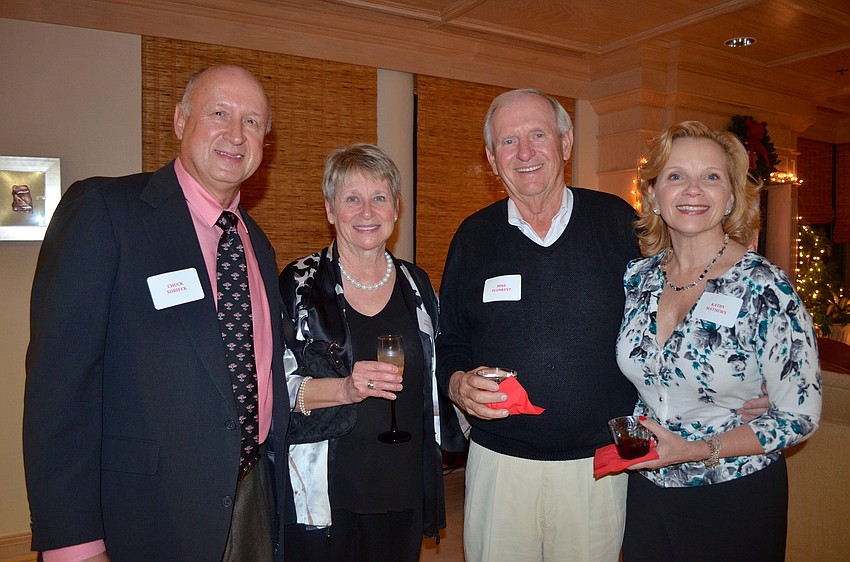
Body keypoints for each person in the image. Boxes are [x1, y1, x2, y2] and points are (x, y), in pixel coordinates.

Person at [23, 65, 289, 562]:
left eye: (253, 123)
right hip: (144, 515)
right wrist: (73, 546)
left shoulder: (259, 244)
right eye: (219, 114)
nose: (236, 134)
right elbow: (58, 390)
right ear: (180, 120)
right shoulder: (106, 211)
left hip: (253, 500)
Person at [436, 88, 641, 562]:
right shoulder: (473, 236)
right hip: (498, 465)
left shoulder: (618, 224)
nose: (524, 153)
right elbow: (451, 339)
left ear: (566, 144)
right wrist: (457, 382)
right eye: (508, 142)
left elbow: (667, 318)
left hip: (597, 467)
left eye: (537, 135)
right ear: (491, 158)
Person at [616, 121, 822, 561]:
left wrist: (696, 449)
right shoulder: (639, 279)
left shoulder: (765, 286)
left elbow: (800, 416)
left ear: (731, 197)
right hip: (648, 489)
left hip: (733, 493)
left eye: (711, 177)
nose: (693, 190)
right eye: (676, 176)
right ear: (652, 194)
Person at [279, 143, 465, 561]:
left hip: (401, 485)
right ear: (330, 210)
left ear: (395, 208)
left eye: (379, 198)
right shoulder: (300, 285)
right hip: (326, 489)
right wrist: (344, 388)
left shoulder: (417, 286)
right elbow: (274, 388)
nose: (367, 212)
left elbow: (437, 373)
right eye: (352, 199)